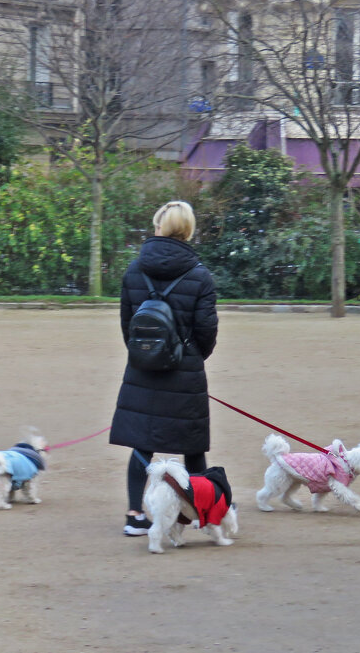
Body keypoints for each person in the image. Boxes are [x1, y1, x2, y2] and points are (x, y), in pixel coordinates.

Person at [109, 200, 219, 536]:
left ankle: (134, 515)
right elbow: (207, 330)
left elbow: (128, 324)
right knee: (193, 445)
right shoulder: (200, 275)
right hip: (185, 369)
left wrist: (143, 352)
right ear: (187, 230)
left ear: (160, 227)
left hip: (143, 367)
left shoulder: (133, 271)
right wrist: (192, 356)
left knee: (142, 442)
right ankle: (201, 512)